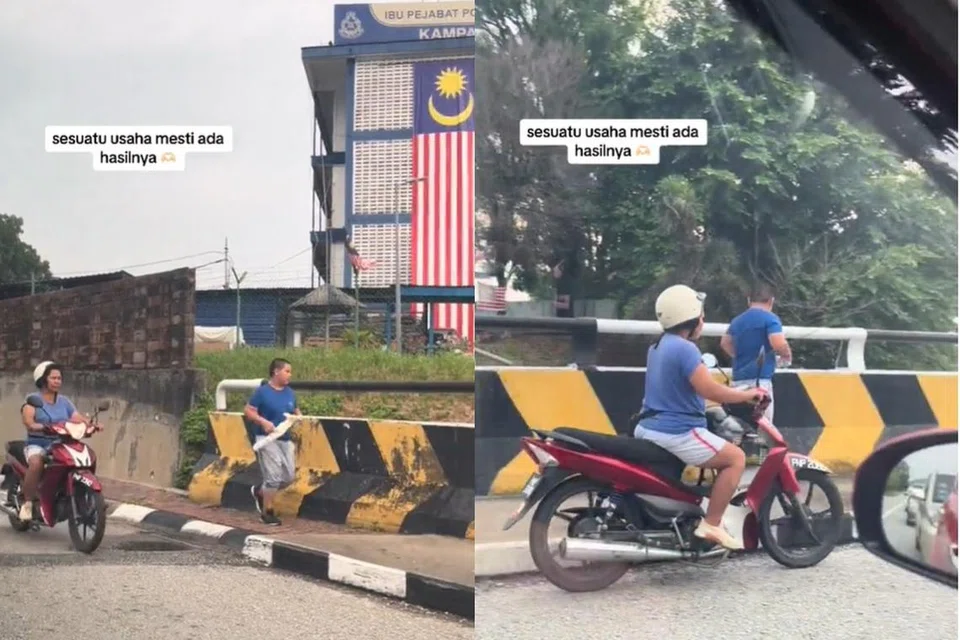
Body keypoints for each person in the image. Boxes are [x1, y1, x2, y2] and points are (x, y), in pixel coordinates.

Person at [634, 285, 764, 550]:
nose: (703, 321)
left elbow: (686, 388)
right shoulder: (686, 349)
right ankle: (712, 523)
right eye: (702, 316)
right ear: (691, 318)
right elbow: (709, 389)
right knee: (735, 459)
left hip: (648, 426)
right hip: (677, 432)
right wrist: (747, 395)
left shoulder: (657, 345)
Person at [18, 361, 94, 521]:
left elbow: (77, 418)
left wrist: (91, 424)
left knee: (86, 457)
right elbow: (29, 422)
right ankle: (27, 503)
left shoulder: (64, 402)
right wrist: (41, 427)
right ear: (43, 379)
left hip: (60, 443)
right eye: (53, 378)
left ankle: (81, 495)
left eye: (59, 378)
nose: (57, 381)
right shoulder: (33, 401)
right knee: (37, 463)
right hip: (37, 444)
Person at [720, 283, 792, 422]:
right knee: (763, 426)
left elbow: (725, 343)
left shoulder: (737, 321)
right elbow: (778, 343)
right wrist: (786, 356)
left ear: (748, 300)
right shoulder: (771, 319)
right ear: (771, 300)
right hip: (760, 382)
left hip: (738, 381)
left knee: (740, 425)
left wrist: (738, 356)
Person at [244, 358, 300, 526]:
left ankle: (261, 492)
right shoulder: (262, 392)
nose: (289, 375)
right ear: (276, 371)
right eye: (287, 371)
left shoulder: (289, 392)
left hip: (285, 438)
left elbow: (295, 410)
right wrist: (263, 422)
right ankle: (267, 512)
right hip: (267, 439)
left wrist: (298, 417)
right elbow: (249, 411)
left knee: (289, 477)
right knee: (273, 477)